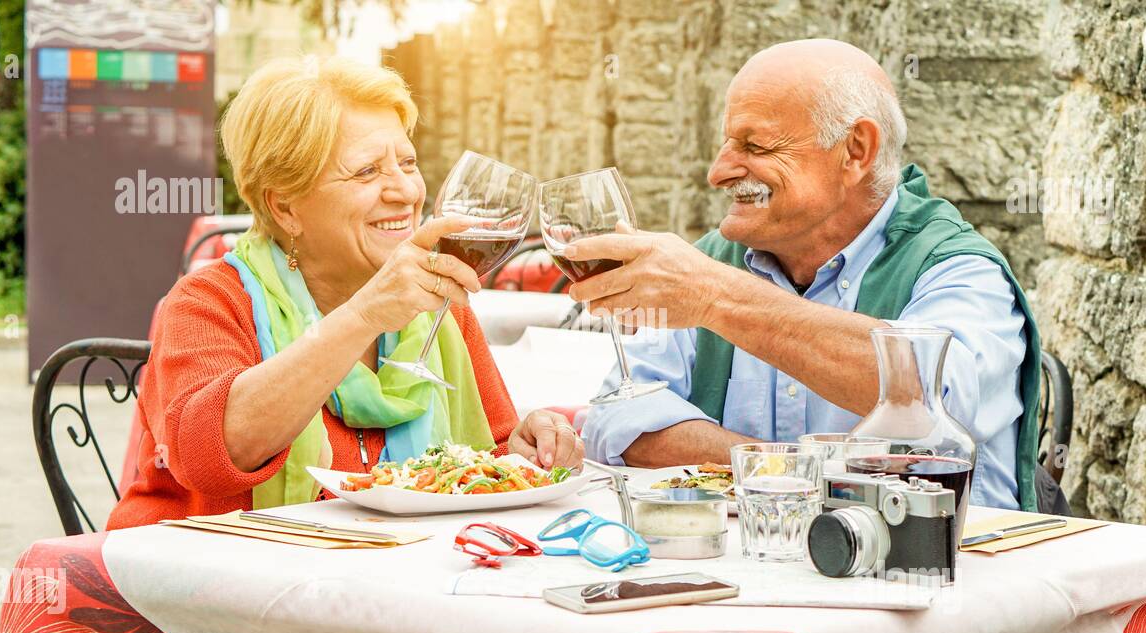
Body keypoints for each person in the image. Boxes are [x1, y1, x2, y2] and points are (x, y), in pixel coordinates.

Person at [107, 56, 582, 530]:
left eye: (408, 162)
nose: (405, 191)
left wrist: (521, 448)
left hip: (380, 582)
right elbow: (209, 458)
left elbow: (486, 454)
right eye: (367, 172)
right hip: (206, 585)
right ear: (286, 206)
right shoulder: (208, 302)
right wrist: (364, 316)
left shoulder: (439, 310)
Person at [572, 39, 1041, 511]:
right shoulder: (716, 261)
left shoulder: (958, 268)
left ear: (855, 150)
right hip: (757, 573)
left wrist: (716, 298)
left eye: (754, 145)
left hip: (943, 576)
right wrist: (791, 473)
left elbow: (930, 401)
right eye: (727, 143)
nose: (718, 172)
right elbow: (618, 419)